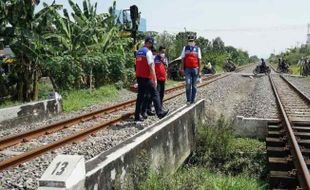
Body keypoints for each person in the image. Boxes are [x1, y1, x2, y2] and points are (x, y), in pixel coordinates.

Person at [134, 36, 169, 122]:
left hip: (139, 77)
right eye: (151, 43)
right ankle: (160, 113)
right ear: (149, 43)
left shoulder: (138, 52)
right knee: (155, 93)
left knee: (140, 97)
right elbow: (151, 67)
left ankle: (137, 117)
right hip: (146, 77)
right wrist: (155, 79)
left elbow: (137, 65)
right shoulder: (148, 52)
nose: (151, 45)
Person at [180, 34, 202, 104]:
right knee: (188, 84)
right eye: (189, 41)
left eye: (192, 40)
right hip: (187, 70)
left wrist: (200, 71)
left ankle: (193, 99)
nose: (191, 42)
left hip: (195, 69)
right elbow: (183, 59)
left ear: (194, 41)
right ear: (188, 41)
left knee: (194, 86)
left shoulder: (197, 49)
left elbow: (199, 60)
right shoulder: (185, 48)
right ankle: (188, 100)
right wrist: (182, 69)